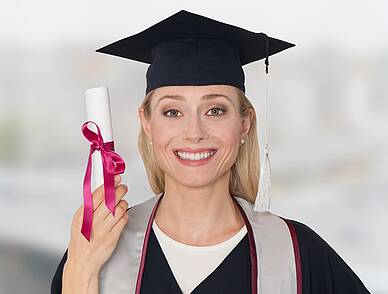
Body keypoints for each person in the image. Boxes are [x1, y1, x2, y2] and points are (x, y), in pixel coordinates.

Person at [51, 10, 371, 294]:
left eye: (215, 110)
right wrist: (82, 271)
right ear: (147, 123)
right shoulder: (97, 249)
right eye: (173, 112)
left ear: (244, 124)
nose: (194, 133)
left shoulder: (296, 255)